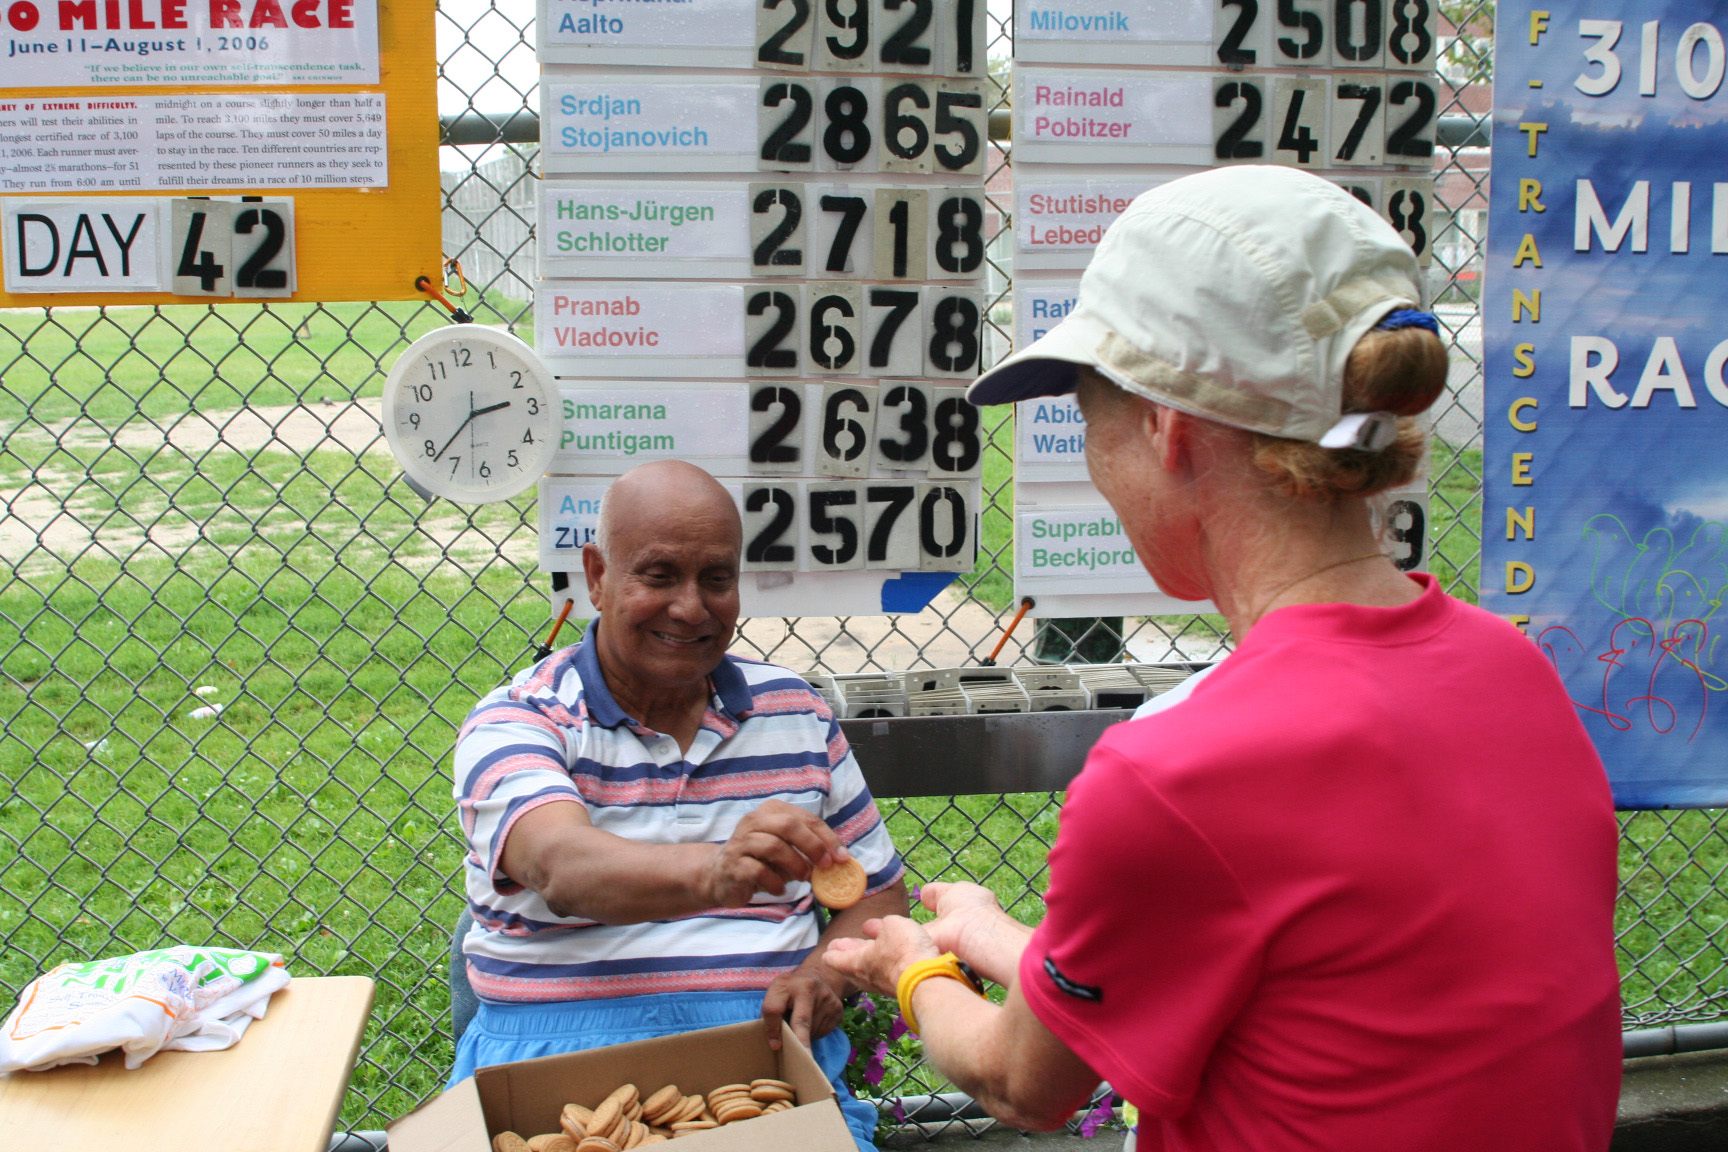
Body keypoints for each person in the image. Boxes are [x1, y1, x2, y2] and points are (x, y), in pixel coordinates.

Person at [824, 166, 1622, 1151]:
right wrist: (991, 935)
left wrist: (910, 964)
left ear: (1165, 428)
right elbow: (1291, 979)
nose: (1091, 460)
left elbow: (1023, 1083)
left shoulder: (1175, 773)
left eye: (1085, 416)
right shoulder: (1513, 671)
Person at [450, 459, 908, 1151]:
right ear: (598, 575)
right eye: (659, 575)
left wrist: (823, 975)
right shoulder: (520, 721)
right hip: (554, 1057)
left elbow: (876, 895)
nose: (692, 607)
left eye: (717, 579)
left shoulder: (795, 712)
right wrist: (717, 873)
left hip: (759, 1053)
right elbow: (560, 868)